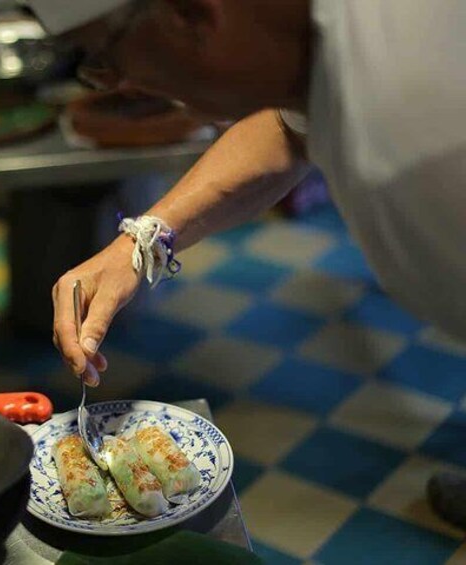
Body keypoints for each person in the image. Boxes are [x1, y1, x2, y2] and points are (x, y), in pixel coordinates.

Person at [28, 0, 466, 529]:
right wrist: (139, 244)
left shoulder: (427, 109)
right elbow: (287, 129)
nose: (117, 85)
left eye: (103, 56)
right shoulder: (329, 38)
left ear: (192, 15)